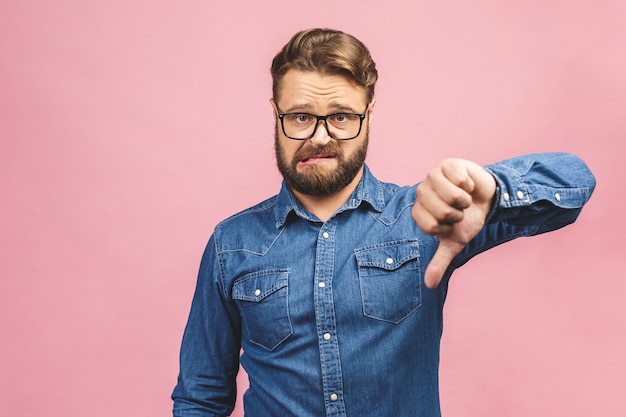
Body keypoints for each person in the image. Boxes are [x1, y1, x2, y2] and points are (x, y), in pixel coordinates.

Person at [172, 28, 596, 417]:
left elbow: (575, 180)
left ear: (369, 114)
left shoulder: (427, 219)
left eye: (341, 116)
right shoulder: (232, 244)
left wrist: (494, 186)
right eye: (301, 116)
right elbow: (200, 397)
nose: (320, 136)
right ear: (275, 112)